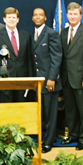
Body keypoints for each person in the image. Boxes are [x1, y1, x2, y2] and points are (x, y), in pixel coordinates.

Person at [59, 2, 83, 150]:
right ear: (67, 15)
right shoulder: (63, 32)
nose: (72, 16)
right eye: (70, 14)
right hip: (67, 78)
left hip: (82, 79)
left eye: (75, 14)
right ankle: (73, 135)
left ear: (80, 16)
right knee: (70, 110)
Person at [31, 8, 62, 153]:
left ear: (45, 18)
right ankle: (43, 137)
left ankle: (48, 142)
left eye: (41, 15)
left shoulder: (52, 34)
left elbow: (56, 58)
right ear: (32, 18)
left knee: (50, 114)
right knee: (41, 113)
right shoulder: (31, 35)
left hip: (49, 82)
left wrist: (51, 78)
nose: (38, 17)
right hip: (36, 82)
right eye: (35, 15)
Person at [0, 7, 33, 102]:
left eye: (14, 17)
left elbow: (29, 59)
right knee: (6, 109)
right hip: (4, 79)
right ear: (4, 19)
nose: (11, 20)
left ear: (18, 19)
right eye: (9, 17)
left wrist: (31, 80)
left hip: (22, 80)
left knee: (21, 109)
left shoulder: (26, 35)